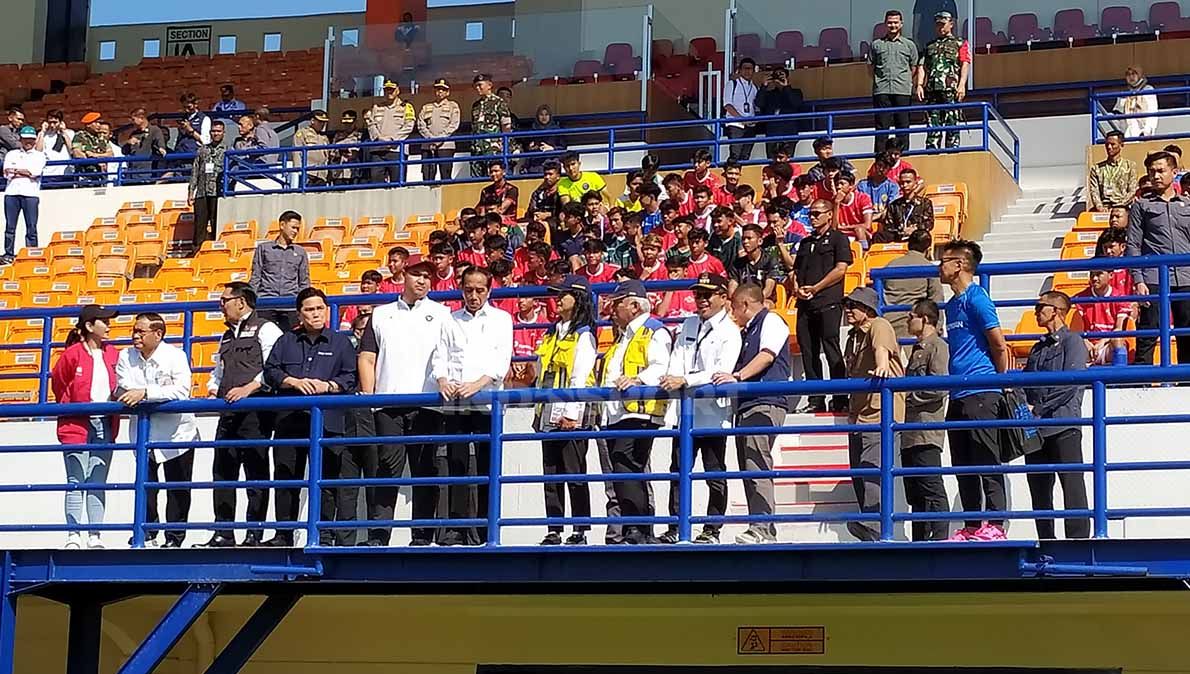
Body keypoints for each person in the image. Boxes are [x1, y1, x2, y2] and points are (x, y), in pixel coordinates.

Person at [358, 259, 451, 546]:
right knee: (386, 468)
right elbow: (367, 356)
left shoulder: (443, 314)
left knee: (426, 469)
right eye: (417, 274)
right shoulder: (381, 314)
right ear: (403, 276)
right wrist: (371, 396)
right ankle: (378, 534)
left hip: (428, 402)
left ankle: (422, 536)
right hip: (389, 403)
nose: (422, 280)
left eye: (427, 276)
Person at [263, 287, 357, 547]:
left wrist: (328, 386)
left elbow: (351, 377)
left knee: (326, 481)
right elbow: (270, 371)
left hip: (328, 422)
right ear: (299, 314)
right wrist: (292, 381)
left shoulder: (341, 342)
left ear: (326, 310)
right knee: (286, 478)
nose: (315, 314)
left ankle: (324, 536)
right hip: (289, 420)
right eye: (309, 309)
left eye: (319, 308)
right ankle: (284, 534)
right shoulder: (286, 341)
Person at [657, 273, 741, 544]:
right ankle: (675, 526)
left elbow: (721, 371)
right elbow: (678, 358)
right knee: (678, 472)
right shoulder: (689, 324)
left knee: (714, 472)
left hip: (713, 415)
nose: (701, 300)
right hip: (686, 413)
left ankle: (711, 529)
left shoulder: (730, 331)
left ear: (722, 297)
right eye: (697, 294)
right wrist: (675, 377)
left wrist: (685, 380)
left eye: (707, 294)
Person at [432, 267, 513, 546]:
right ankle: (456, 526)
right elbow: (440, 356)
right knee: (455, 463)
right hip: (455, 399)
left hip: (487, 400)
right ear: (461, 288)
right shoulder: (449, 319)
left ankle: (484, 527)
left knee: (487, 465)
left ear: (489, 290)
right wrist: (442, 380)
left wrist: (477, 385)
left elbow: (502, 360)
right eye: (469, 289)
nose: (474, 295)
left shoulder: (502, 319)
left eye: (480, 290)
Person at [938, 239, 1011, 541]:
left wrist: (999, 381)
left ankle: (995, 524)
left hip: (981, 389)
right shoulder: (953, 304)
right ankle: (971, 525)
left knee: (986, 458)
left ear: (959, 264)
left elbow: (998, 342)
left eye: (944, 260)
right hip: (958, 393)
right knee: (963, 463)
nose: (939, 266)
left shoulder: (976, 298)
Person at [203, 283, 283, 547]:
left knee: (255, 472)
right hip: (227, 412)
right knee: (223, 471)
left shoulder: (266, 328)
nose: (221, 305)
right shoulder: (226, 336)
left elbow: (274, 367)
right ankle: (223, 532)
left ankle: (254, 533)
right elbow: (217, 372)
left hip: (256, 412)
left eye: (224, 299)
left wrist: (248, 388)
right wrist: (214, 388)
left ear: (241, 301)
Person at [710, 282, 791, 544]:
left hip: (765, 402)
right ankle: (758, 525)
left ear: (745, 304)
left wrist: (738, 376)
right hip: (748, 404)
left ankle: (764, 529)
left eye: (734, 307)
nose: (733, 313)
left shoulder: (772, 321)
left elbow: (767, 355)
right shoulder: (748, 330)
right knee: (748, 466)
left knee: (757, 463)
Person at [115, 312, 197, 548]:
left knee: (177, 488)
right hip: (143, 432)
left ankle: (174, 537)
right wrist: (151, 392)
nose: (135, 335)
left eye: (141, 331)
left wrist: (146, 393)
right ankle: (147, 531)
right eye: (134, 330)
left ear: (158, 334)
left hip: (178, 433)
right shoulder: (125, 355)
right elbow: (124, 388)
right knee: (145, 486)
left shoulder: (175, 356)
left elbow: (182, 390)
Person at [600, 279, 673, 545]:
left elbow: (660, 365)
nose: (612, 309)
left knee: (626, 464)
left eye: (617, 303)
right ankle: (635, 527)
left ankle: (638, 528)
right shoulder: (626, 335)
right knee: (624, 468)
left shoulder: (654, 330)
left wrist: (638, 379)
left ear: (633, 305)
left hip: (640, 412)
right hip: (620, 413)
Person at [532, 275, 598, 545]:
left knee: (574, 471)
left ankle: (580, 529)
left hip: (572, 412)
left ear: (578, 299)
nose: (557, 299)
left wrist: (572, 413)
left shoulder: (584, 334)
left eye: (563, 295)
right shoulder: (552, 331)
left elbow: (580, 377)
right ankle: (554, 527)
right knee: (552, 473)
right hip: (548, 410)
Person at [51, 305, 120, 550]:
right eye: (104, 321)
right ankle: (73, 534)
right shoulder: (72, 354)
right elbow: (59, 384)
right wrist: (74, 406)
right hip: (76, 423)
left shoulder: (114, 353)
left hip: (105, 422)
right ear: (90, 326)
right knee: (75, 480)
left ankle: (95, 535)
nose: (109, 326)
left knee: (97, 480)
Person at [840, 287, 905, 541]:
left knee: (871, 468)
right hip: (859, 414)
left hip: (879, 412)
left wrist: (881, 367)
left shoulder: (879, 324)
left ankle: (875, 524)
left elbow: (882, 351)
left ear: (867, 309)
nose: (848, 309)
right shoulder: (852, 336)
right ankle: (870, 525)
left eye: (853, 305)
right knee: (858, 471)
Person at [1024, 291, 1091, 540]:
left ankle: (1078, 543)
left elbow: (1070, 384)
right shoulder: (1038, 347)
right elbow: (1026, 383)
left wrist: (1037, 409)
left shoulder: (1073, 341)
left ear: (1057, 311)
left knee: (1072, 486)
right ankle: (1046, 541)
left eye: (1041, 306)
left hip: (1063, 424)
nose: (1036, 311)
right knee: (1039, 489)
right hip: (1038, 427)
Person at [1128, 150, 1190, 365]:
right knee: (1149, 329)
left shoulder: (1187, 205)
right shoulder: (1140, 206)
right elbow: (1133, 244)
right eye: (1151, 171)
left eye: (1161, 170)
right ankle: (1141, 381)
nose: (1155, 176)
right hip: (1153, 276)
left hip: (1186, 276)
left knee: (1187, 330)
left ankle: (1186, 381)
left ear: (1174, 172)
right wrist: (1138, 280)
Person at [791, 199, 852, 413]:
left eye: (817, 213)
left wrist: (817, 287)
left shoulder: (839, 239)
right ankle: (816, 399)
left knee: (832, 349)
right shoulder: (806, 243)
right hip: (805, 305)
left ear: (829, 214)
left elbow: (841, 269)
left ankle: (841, 398)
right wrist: (798, 287)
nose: (813, 217)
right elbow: (795, 270)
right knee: (809, 352)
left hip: (828, 302)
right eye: (811, 214)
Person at [902, 298, 951, 541]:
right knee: (915, 492)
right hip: (910, 430)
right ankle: (919, 540)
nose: (908, 319)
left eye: (912, 315)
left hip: (925, 429)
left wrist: (909, 398)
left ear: (926, 319)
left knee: (931, 486)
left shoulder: (937, 346)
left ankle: (940, 537)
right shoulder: (918, 349)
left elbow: (940, 387)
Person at [915, 11, 970, 150]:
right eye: (938, 25)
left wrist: (962, 84)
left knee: (952, 122)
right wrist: (919, 85)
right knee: (933, 124)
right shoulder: (929, 46)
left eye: (943, 24)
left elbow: (965, 63)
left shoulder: (960, 43)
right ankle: (932, 150)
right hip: (932, 90)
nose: (940, 28)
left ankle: (952, 151)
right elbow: (922, 66)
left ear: (951, 24)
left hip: (950, 89)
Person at [249, 210, 311, 330]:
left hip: (290, 305)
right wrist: (251, 301)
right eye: (293, 227)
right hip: (266, 303)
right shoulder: (263, 249)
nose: (295, 232)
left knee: (291, 341)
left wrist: (302, 304)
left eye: (297, 229)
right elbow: (256, 277)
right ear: (282, 225)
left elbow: (304, 281)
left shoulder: (300, 252)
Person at [871, 10, 920, 154]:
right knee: (881, 128)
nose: (893, 25)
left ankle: (903, 156)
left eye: (895, 22)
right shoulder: (876, 45)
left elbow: (914, 67)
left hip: (902, 90)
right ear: (885, 24)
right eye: (890, 22)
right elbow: (871, 68)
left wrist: (905, 81)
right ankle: (880, 159)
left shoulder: (909, 45)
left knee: (902, 126)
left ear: (901, 24)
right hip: (882, 90)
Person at [882, 229, 945, 341]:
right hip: (915, 325)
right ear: (928, 249)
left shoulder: (889, 266)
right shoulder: (929, 268)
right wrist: (937, 329)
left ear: (908, 245)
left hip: (888, 323)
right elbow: (937, 299)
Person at [2, 125, 44, 264]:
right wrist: (24, 172)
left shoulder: (39, 155)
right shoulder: (11, 154)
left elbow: (35, 172)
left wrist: (17, 171)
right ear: (20, 139)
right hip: (12, 192)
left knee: (31, 226)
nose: (29, 142)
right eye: (26, 139)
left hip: (30, 194)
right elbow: (7, 173)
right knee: (10, 227)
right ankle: (8, 253)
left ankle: (31, 253)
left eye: (31, 139)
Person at [1076, 266, 1133, 365]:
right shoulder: (1079, 298)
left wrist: (1102, 341)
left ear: (1110, 275)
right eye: (1092, 274)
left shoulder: (1120, 298)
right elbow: (1077, 330)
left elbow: (1118, 329)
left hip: (1107, 345)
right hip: (1086, 345)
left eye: (1098, 274)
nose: (1094, 278)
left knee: (1118, 339)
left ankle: (1119, 376)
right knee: (1073, 341)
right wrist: (1087, 344)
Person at [365, 81, 416, 184]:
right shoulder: (377, 107)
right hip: (378, 150)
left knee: (397, 184)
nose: (389, 92)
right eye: (387, 90)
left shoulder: (406, 107)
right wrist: (379, 138)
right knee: (376, 183)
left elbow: (409, 126)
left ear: (398, 91)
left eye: (392, 90)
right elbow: (371, 124)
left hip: (396, 150)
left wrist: (393, 139)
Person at [187, 120, 227, 248]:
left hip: (217, 192)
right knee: (200, 223)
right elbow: (195, 171)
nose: (216, 133)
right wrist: (191, 191)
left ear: (223, 133)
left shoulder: (227, 150)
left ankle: (215, 248)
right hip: (202, 192)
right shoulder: (203, 150)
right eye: (214, 131)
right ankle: (197, 249)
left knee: (216, 222)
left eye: (219, 131)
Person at [417, 78, 461, 183]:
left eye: (443, 89)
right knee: (427, 176)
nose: (440, 92)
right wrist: (430, 138)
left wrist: (439, 139)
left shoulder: (453, 106)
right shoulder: (426, 107)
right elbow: (420, 124)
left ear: (448, 92)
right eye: (438, 89)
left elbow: (454, 124)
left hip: (445, 146)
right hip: (428, 146)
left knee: (445, 175)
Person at [470, 73, 514, 178]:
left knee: (493, 177)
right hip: (477, 149)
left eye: (480, 85)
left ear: (489, 85)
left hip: (492, 147)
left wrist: (503, 144)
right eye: (476, 86)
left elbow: (506, 126)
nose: (477, 88)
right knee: (476, 179)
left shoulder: (499, 102)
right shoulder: (476, 106)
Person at [755, 67, 805, 159]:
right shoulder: (769, 94)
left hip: (789, 132)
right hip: (772, 133)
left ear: (787, 78)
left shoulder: (796, 92)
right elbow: (759, 103)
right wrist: (764, 86)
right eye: (776, 75)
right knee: (772, 161)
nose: (778, 78)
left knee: (787, 161)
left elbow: (796, 103)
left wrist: (786, 87)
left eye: (781, 75)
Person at [1087, 131, 1138, 212]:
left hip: (1123, 208)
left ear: (1121, 145)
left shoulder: (1130, 166)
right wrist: (1100, 207)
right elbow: (1094, 191)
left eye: (1113, 144)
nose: (1109, 147)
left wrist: (1120, 205)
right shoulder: (1097, 168)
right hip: (1104, 208)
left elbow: (1132, 190)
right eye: (1107, 144)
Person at [880, 168, 934, 242]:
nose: (904, 185)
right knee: (879, 236)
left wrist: (915, 228)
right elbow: (888, 226)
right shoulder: (894, 205)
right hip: (898, 236)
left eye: (908, 182)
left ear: (915, 183)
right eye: (902, 183)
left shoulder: (925, 203)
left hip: (916, 237)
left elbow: (929, 223)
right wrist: (901, 231)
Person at [728, 224, 781, 300]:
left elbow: (768, 290)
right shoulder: (738, 263)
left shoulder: (770, 261)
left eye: (749, 238)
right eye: (743, 239)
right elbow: (732, 289)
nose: (745, 242)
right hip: (742, 300)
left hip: (764, 300)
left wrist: (752, 302)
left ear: (760, 241)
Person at [723, 58, 758, 161]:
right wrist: (741, 119)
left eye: (750, 69)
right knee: (735, 154)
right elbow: (727, 105)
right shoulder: (732, 84)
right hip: (736, 124)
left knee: (746, 155)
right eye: (745, 68)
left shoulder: (754, 87)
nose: (747, 71)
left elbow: (756, 107)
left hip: (750, 125)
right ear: (739, 70)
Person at [1114, 65, 1159, 138]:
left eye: (1134, 74)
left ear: (1140, 75)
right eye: (1128, 74)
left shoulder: (1148, 89)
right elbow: (1117, 114)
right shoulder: (1124, 93)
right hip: (1127, 131)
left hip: (1143, 130)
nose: (1131, 77)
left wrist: (1148, 130)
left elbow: (1152, 111)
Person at [832, 171, 874, 246]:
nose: (839, 187)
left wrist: (845, 227)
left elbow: (867, 225)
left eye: (842, 184)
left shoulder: (863, 198)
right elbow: (834, 228)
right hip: (842, 236)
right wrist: (836, 204)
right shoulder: (833, 201)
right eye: (837, 184)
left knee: (859, 230)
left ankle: (863, 252)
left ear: (851, 185)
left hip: (861, 234)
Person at [858, 155, 901, 226]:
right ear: (875, 165)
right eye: (879, 165)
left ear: (889, 169)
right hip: (864, 220)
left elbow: (890, 208)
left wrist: (874, 217)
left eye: (885, 167)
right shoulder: (863, 185)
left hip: (883, 221)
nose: (881, 169)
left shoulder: (893, 186)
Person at [292, 110, 331, 187]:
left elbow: (327, 156)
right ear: (313, 121)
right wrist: (298, 171)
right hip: (308, 173)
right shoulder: (302, 133)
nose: (322, 124)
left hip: (321, 174)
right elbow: (296, 152)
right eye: (320, 122)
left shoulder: (324, 137)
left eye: (324, 122)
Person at [70, 112, 110, 186]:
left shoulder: (100, 137)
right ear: (88, 124)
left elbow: (110, 154)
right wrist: (96, 161)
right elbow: (77, 153)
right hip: (85, 176)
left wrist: (94, 155)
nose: (99, 125)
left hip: (101, 176)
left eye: (99, 123)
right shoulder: (79, 136)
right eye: (96, 122)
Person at [36, 109, 75, 183]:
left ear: (60, 122)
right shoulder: (43, 135)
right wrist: (42, 132)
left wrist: (63, 132)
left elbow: (71, 150)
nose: (52, 125)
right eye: (50, 122)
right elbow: (38, 151)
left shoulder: (69, 133)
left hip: (65, 172)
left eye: (55, 122)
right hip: (48, 173)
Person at [524, 104, 564, 175]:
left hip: (552, 160)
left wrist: (552, 148)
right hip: (536, 163)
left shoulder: (557, 130)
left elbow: (562, 147)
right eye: (541, 114)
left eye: (546, 114)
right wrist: (530, 147)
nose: (544, 117)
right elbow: (526, 147)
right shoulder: (532, 130)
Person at [329, 110, 361, 185]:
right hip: (338, 173)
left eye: (350, 123)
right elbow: (332, 153)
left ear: (355, 122)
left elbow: (356, 153)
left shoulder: (359, 136)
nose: (347, 125)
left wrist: (347, 151)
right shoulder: (337, 136)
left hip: (352, 172)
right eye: (345, 123)